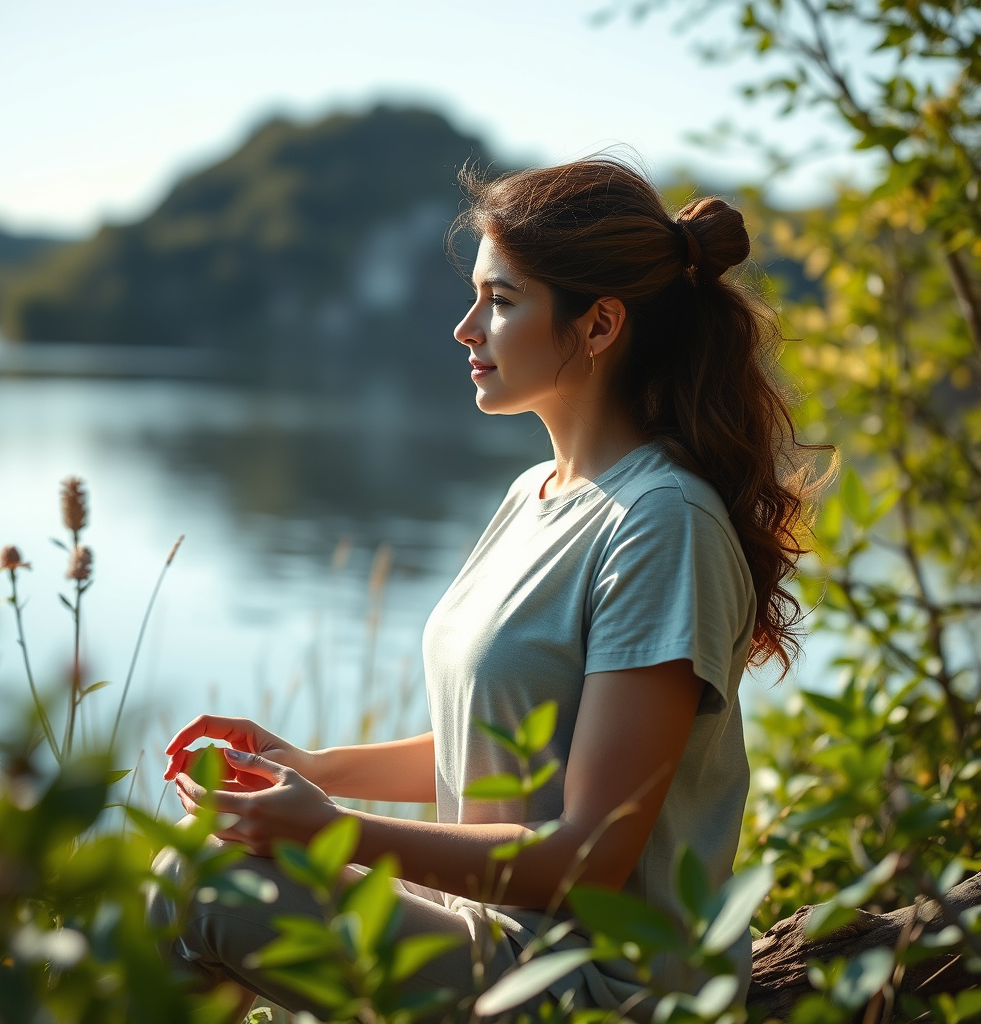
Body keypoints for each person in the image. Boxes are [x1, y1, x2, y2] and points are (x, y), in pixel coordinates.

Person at [150, 156, 816, 1020]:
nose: (467, 329)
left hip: (599, 984)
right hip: (495, 934)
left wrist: (330, 830)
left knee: (211, 886)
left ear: (600, 323)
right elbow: (499, 749)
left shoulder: (663, 523)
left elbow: (587, 859)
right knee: (197, 863)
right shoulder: (534, 496)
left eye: (500, 302)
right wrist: (307, 770)